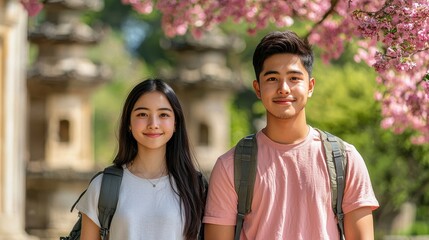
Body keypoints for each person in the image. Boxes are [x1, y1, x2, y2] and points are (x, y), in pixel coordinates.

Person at [203, 30, 379, 239]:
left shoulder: (344, 159)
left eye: (294, 78)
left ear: (310, 86)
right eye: (272, 78)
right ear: (257, 89)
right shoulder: (231, 166)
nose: (283, 88)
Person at [76, 78, 207, 240]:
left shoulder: (195, 186)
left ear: (175, 124)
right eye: (142, 114)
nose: (153, 123)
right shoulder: (103, 186)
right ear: (129, 123)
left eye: (163, 114)